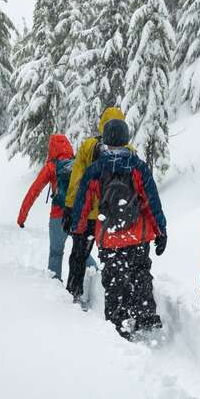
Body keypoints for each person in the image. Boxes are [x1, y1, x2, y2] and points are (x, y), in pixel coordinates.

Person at [70, 118, 167, 338]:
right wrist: (161, 230)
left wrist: (78, 228)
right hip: (137, 236)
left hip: (109, 237)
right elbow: (152, 202)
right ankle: (145, 316)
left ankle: (118, 324)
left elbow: (82, 203)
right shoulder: (138, 167)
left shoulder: (96, 169)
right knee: (140, 273)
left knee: (114, 281)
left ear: (105, 140)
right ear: (126, 139)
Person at [62, 106, 126, 301]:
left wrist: (70, 208)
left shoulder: (89, 146)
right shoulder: (128, 151)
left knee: (79, 255)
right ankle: (115, 300)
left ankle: (74, 292)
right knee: (115, 259)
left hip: (89, 216)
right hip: (115, 218)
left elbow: (76, 180)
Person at [17, 133, 75, 281]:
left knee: (56, 253)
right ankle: (94, 281)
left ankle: (56, 291)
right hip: (76, 215)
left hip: (57, 217)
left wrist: (21, 218)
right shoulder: (76, 164)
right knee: (81, 252)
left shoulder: (51, 167)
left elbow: (34, 191)